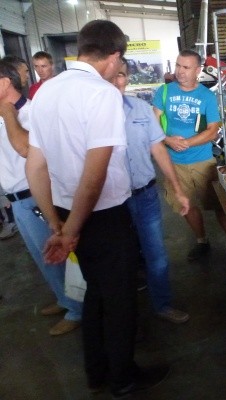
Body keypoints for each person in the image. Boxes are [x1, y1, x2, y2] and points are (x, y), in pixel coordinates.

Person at [26, 20, 169, 397]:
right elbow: (95, 174)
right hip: (101, 217)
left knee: (95, 293)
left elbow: (35, 166)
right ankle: (123, 378)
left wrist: (56, 223)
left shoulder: (47, 90)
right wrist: (70, 231)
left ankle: (98, 372)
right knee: (119, 298)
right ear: (114, 56)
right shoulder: (101, 94)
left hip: (65, 212)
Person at [0, 60, 83, 334]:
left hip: (36, 196)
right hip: (16, 199)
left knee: (57, 255)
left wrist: (8, 114)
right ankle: (64, 299)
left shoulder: (31, 112)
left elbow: (25, 149)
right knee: (42, 257)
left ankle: (77, 310)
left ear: (5, 82)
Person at [113, 58, 190, 324]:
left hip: (145, 195)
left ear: (127, 78)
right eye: (112, 75)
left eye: (121, 75)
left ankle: (162, 304)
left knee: (156, 255)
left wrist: (178, 189)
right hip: (111, 203)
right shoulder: (89, 112)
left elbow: (157, 148)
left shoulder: (140, 108)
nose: (116, 80)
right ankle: (123, 316)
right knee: (118, 259)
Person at [152, 49, 226, 261]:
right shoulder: (164, 91)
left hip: (203, 161)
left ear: (198, 70)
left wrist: (186, 143)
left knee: (219, 205)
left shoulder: (206, 96)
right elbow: (153, 123)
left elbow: (213, 131)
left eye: (186, 67)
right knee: (186, 204)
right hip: (174, 163)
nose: (180, 71)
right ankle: (201, 241)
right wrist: (167, 140)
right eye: (178, 66)